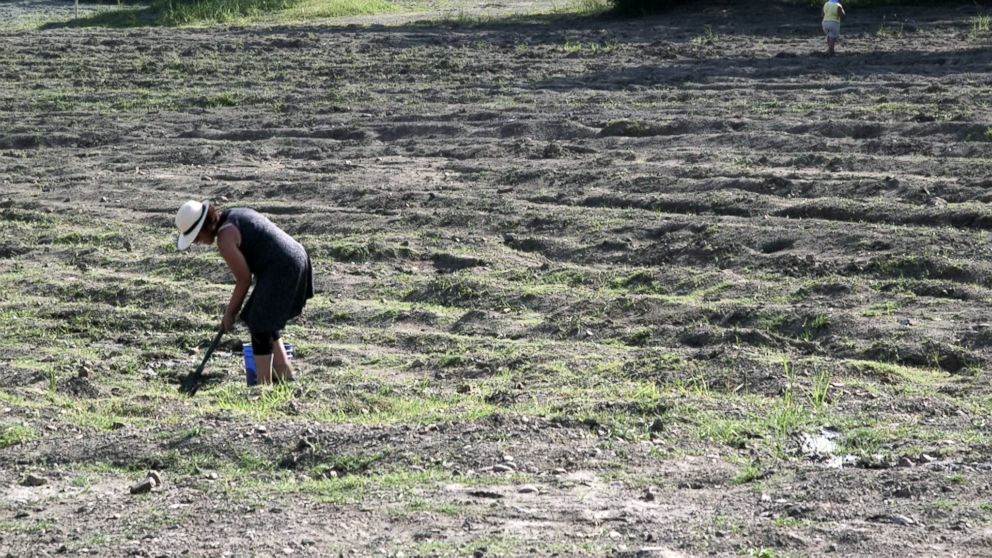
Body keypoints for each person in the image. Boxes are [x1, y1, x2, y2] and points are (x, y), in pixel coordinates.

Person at [175, 200, 314, 384]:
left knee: (259, 325)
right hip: (295, 258)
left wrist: (230, 314)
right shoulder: (233, 216)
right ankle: (285, 377)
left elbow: (244, 279)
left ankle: (263, 388)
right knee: (262, 320)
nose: (198, 242)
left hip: (283, 267)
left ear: (204, 227)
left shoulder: (225, 238)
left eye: (196, 237)